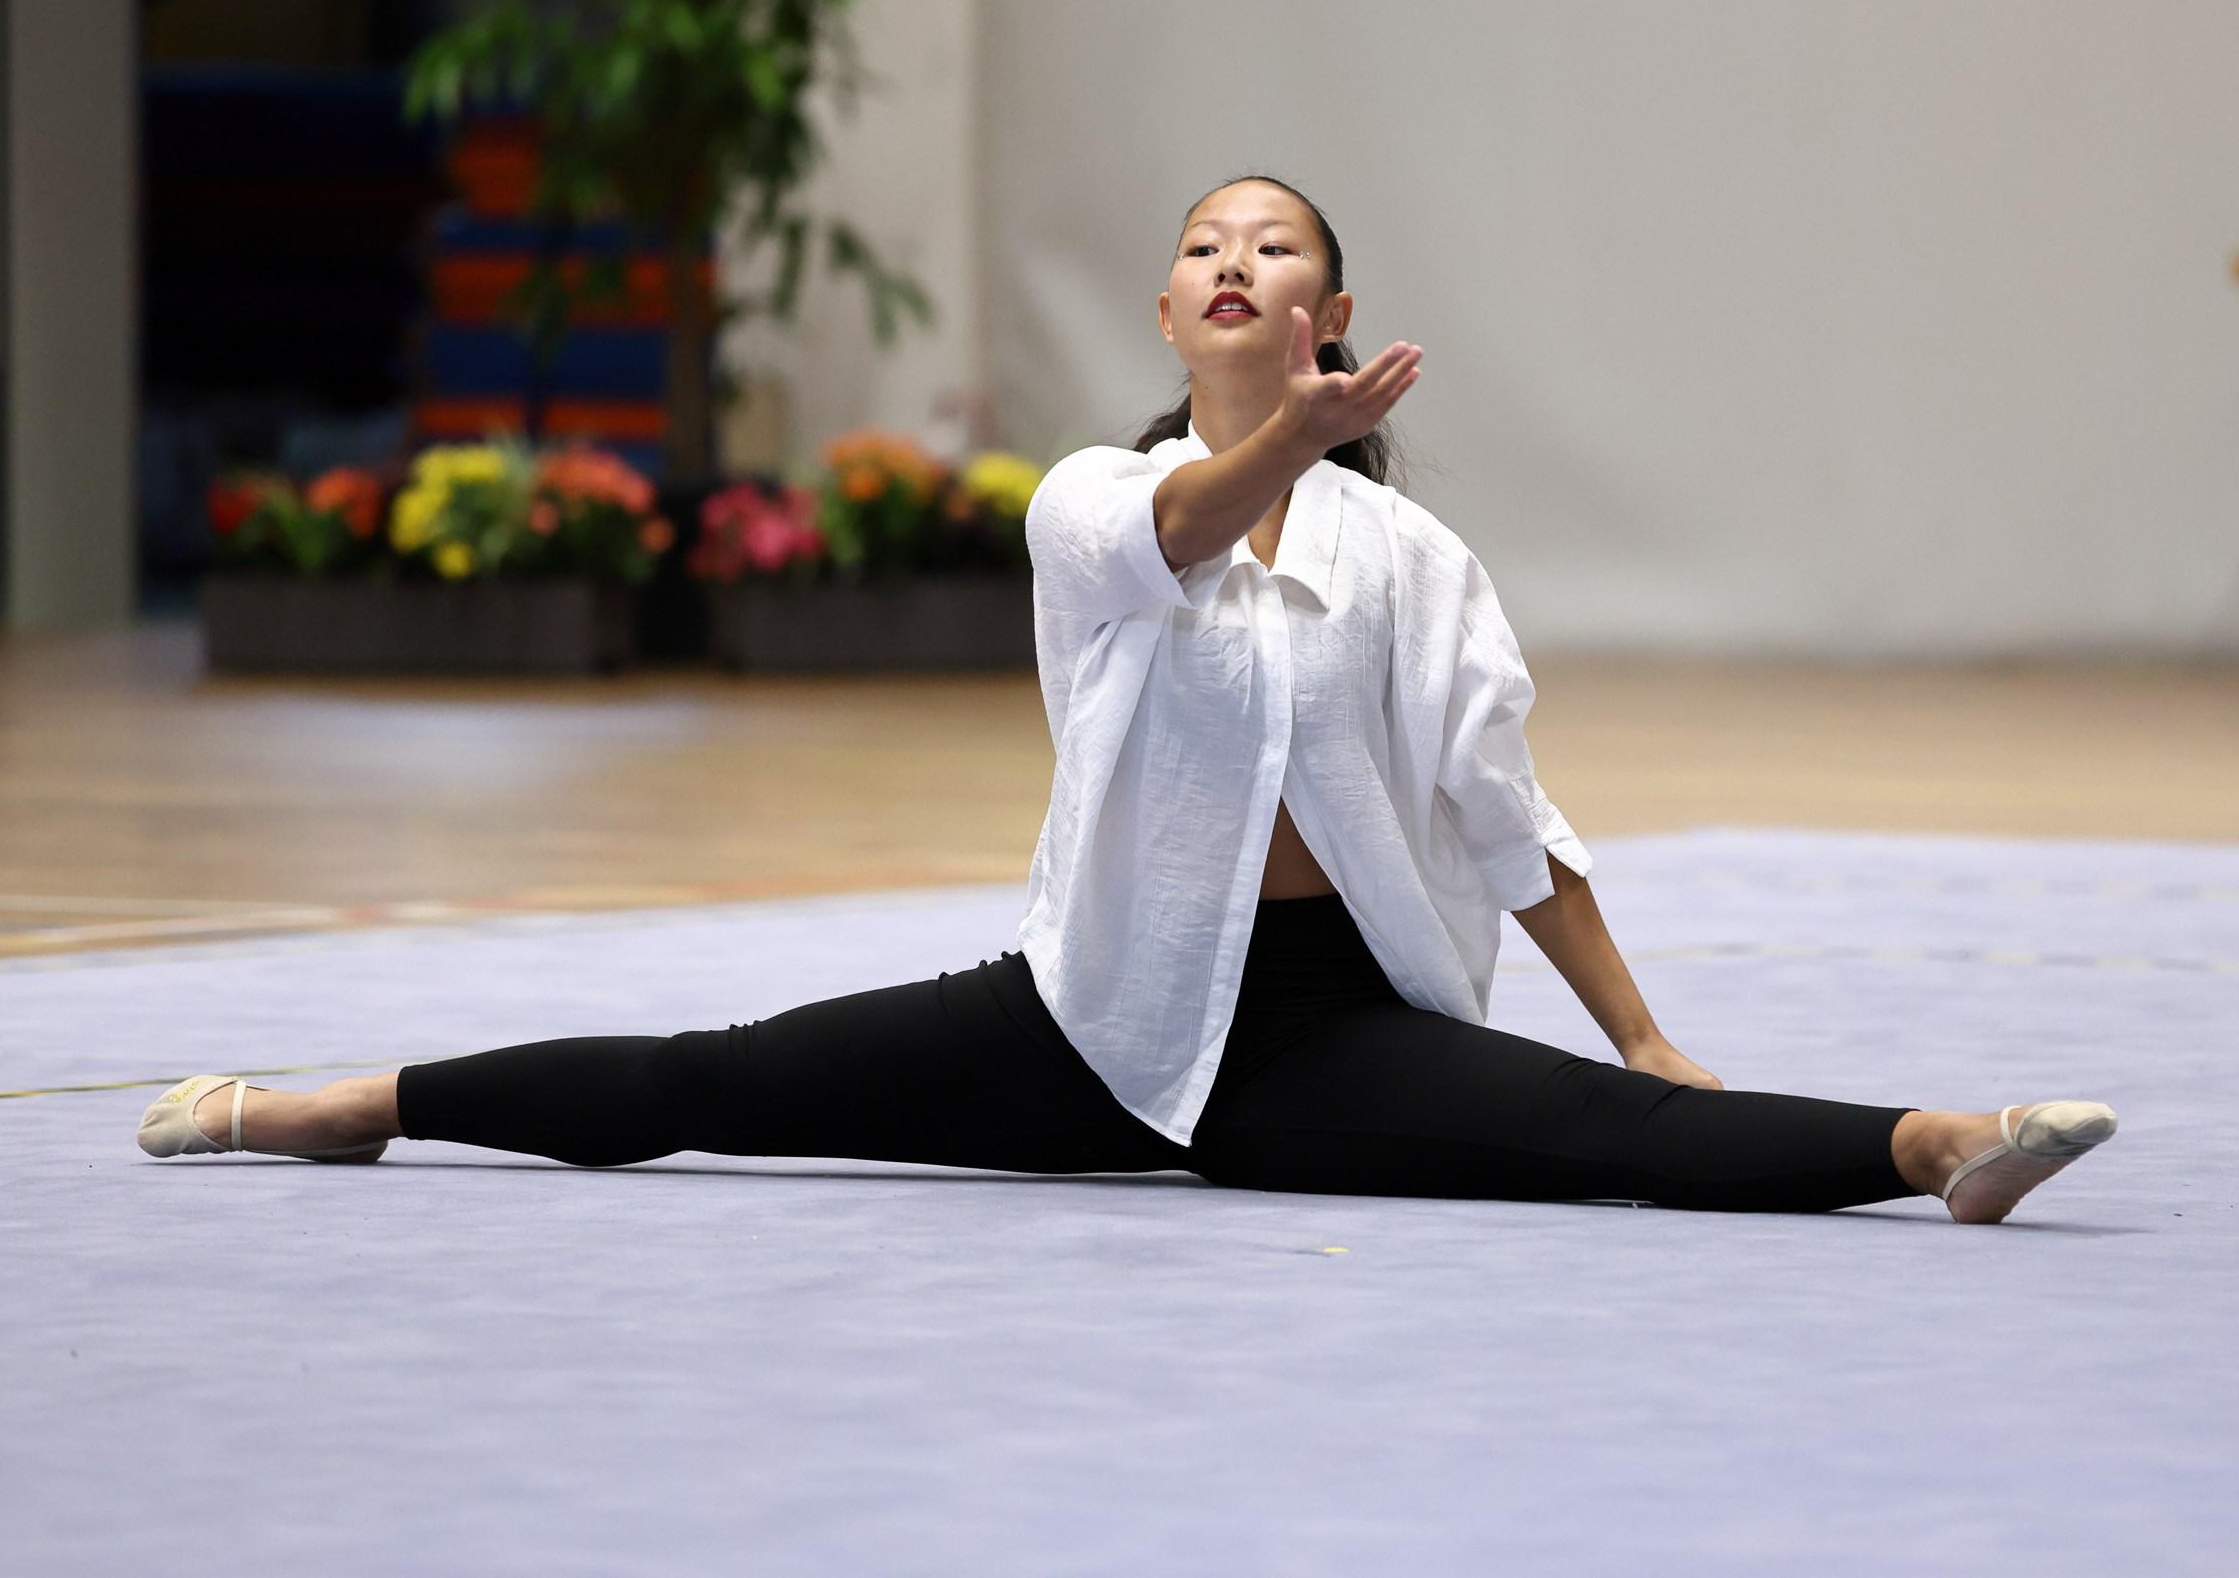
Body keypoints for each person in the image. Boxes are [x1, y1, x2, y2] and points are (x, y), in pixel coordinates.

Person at [138, 175, 2118, 1223]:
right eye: (1202, 246)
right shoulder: (1093, 499)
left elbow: (1509, 817)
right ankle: (357, 1104)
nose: (1235, 260)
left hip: (1328, 1033)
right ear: (1170, 311)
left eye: (1278, 245)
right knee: (710, 1081)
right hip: (1087, 1013)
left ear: (1333, 309)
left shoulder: (1413, 559)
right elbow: (1187, 526)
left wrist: (1648, 1034)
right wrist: (1290, 444)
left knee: (1613, 1134)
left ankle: (1938, 1145)